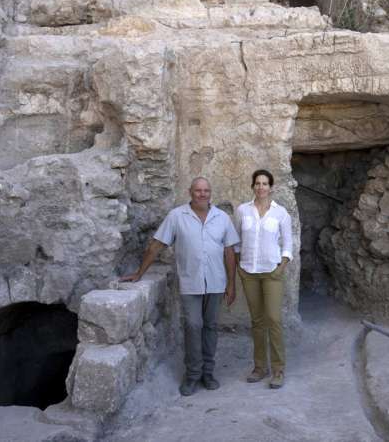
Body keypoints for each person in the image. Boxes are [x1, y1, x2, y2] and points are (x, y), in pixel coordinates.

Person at [120, 177, 239, 396]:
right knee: (194, 326)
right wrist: (139, 272)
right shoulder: (177, 216)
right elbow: (157, 244)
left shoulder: (222, 218)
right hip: (190, 281)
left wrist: (232, 284)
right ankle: (193, 374)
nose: (202, 194)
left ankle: (208, 373)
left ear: (210, 192)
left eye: (206, 190)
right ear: (190, 192)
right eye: (198, 190)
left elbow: (230, 251)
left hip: (215, 281)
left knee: (211, 326)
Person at [234, 169, 293, 389]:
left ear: (271, 187)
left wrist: (281, 268)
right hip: (249, 272)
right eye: (257, 183)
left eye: (265, 184)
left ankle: (278, 369)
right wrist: (240, 266)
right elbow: (237, 240)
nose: (261, 187)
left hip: (271, 273)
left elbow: (287, 245)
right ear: (253, 186)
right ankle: (260, 367)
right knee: (257, 321)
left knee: (274, 320)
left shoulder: (281, 213)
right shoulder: (243, 211)